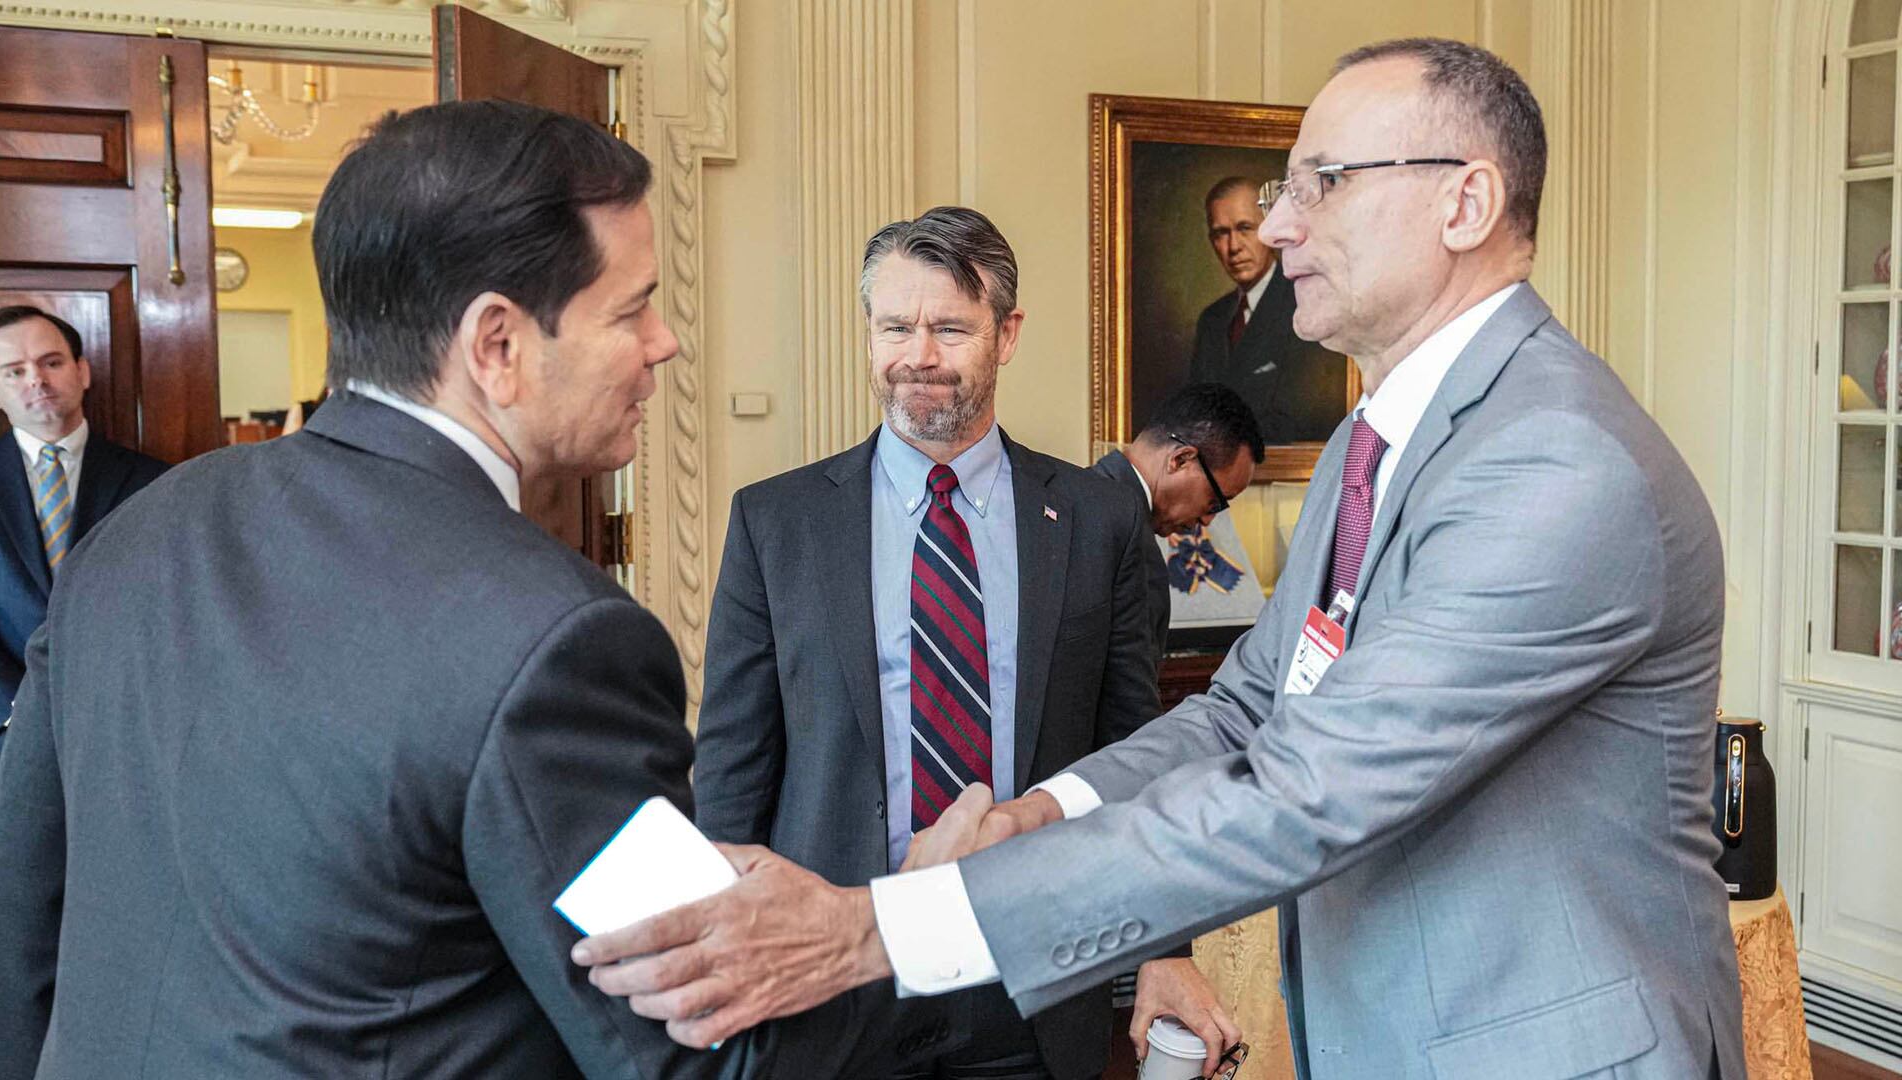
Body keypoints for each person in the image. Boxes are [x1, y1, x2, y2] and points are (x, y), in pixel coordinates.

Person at [574, 37, 1747, 1080]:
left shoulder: (1554, 464)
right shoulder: (1371, 441)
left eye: (1321, 184)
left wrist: (873, 929)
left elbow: (1304, 791)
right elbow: (1245, 714)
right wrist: (1044, 810)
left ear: (1467, 202)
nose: (1279, 225)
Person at [0, 100, 945, 1080]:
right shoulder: (555, 644)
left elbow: (16, 922)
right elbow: (701, 1059)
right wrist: (903, 918)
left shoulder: (131, 534)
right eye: (633, 308)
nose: (664, 343)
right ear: (498, 347)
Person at [692, 205, 1232, 1080]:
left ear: (1007, 334)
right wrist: (714, 950)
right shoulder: (777, 522)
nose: (920, 357)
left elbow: (1133, 754)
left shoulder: (1096, 522)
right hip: (832, 978)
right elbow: (732, 767)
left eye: (950, 328)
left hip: (1036, 977)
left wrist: (1165, 948)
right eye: (895, 326)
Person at [0, 306, 168, 831]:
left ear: (82, 371)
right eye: (13, 371)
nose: (36, 380)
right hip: (2, 743)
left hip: (127, 741)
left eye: (51, 362)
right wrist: (18, 711)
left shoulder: (157, 482)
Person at [1091, 383, 1263, 656]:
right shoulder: (1124, 536)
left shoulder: (1081, 499)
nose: (1208, 521)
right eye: (1215, 501)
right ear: (1181, 460)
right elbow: (1128, 690)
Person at [1187, 176, 1349, 445]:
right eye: (1220, 233)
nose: (1234, 247)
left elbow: (1305, 419)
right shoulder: (1212, 320)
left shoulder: (1304, 306)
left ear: (1269, 228)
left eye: (1245, 228)